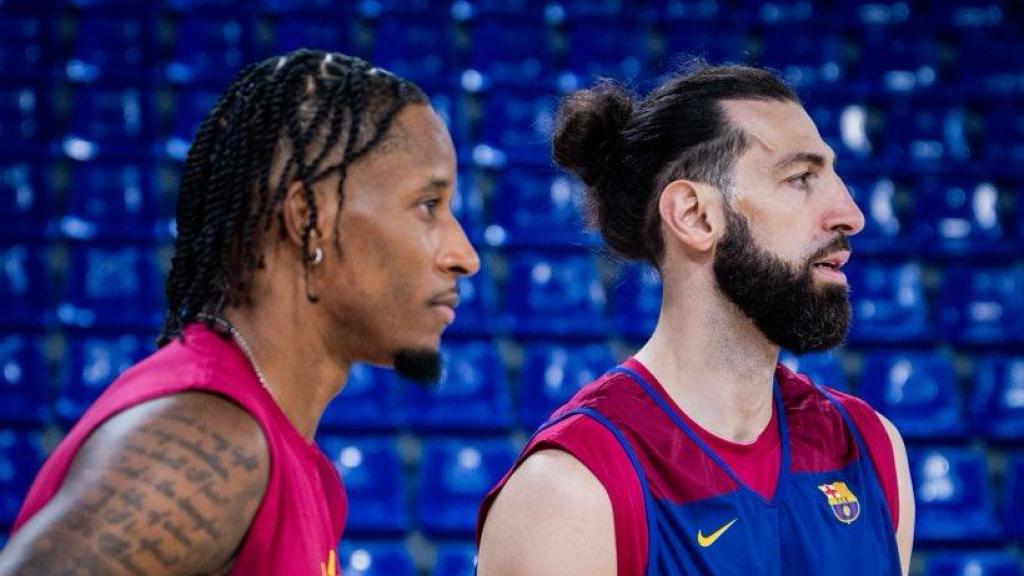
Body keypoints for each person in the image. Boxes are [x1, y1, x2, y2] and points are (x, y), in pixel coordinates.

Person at [0, 49, 479, 575]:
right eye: (428, 206)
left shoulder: (282, 455)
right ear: (308, 221)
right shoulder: (207, 444)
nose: (464, 255)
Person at [477, 64, 914, 576]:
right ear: (694, 215)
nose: (850, 213)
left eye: (834, 177)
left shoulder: (872, 447)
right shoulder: (572, 493)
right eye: (800, 179)